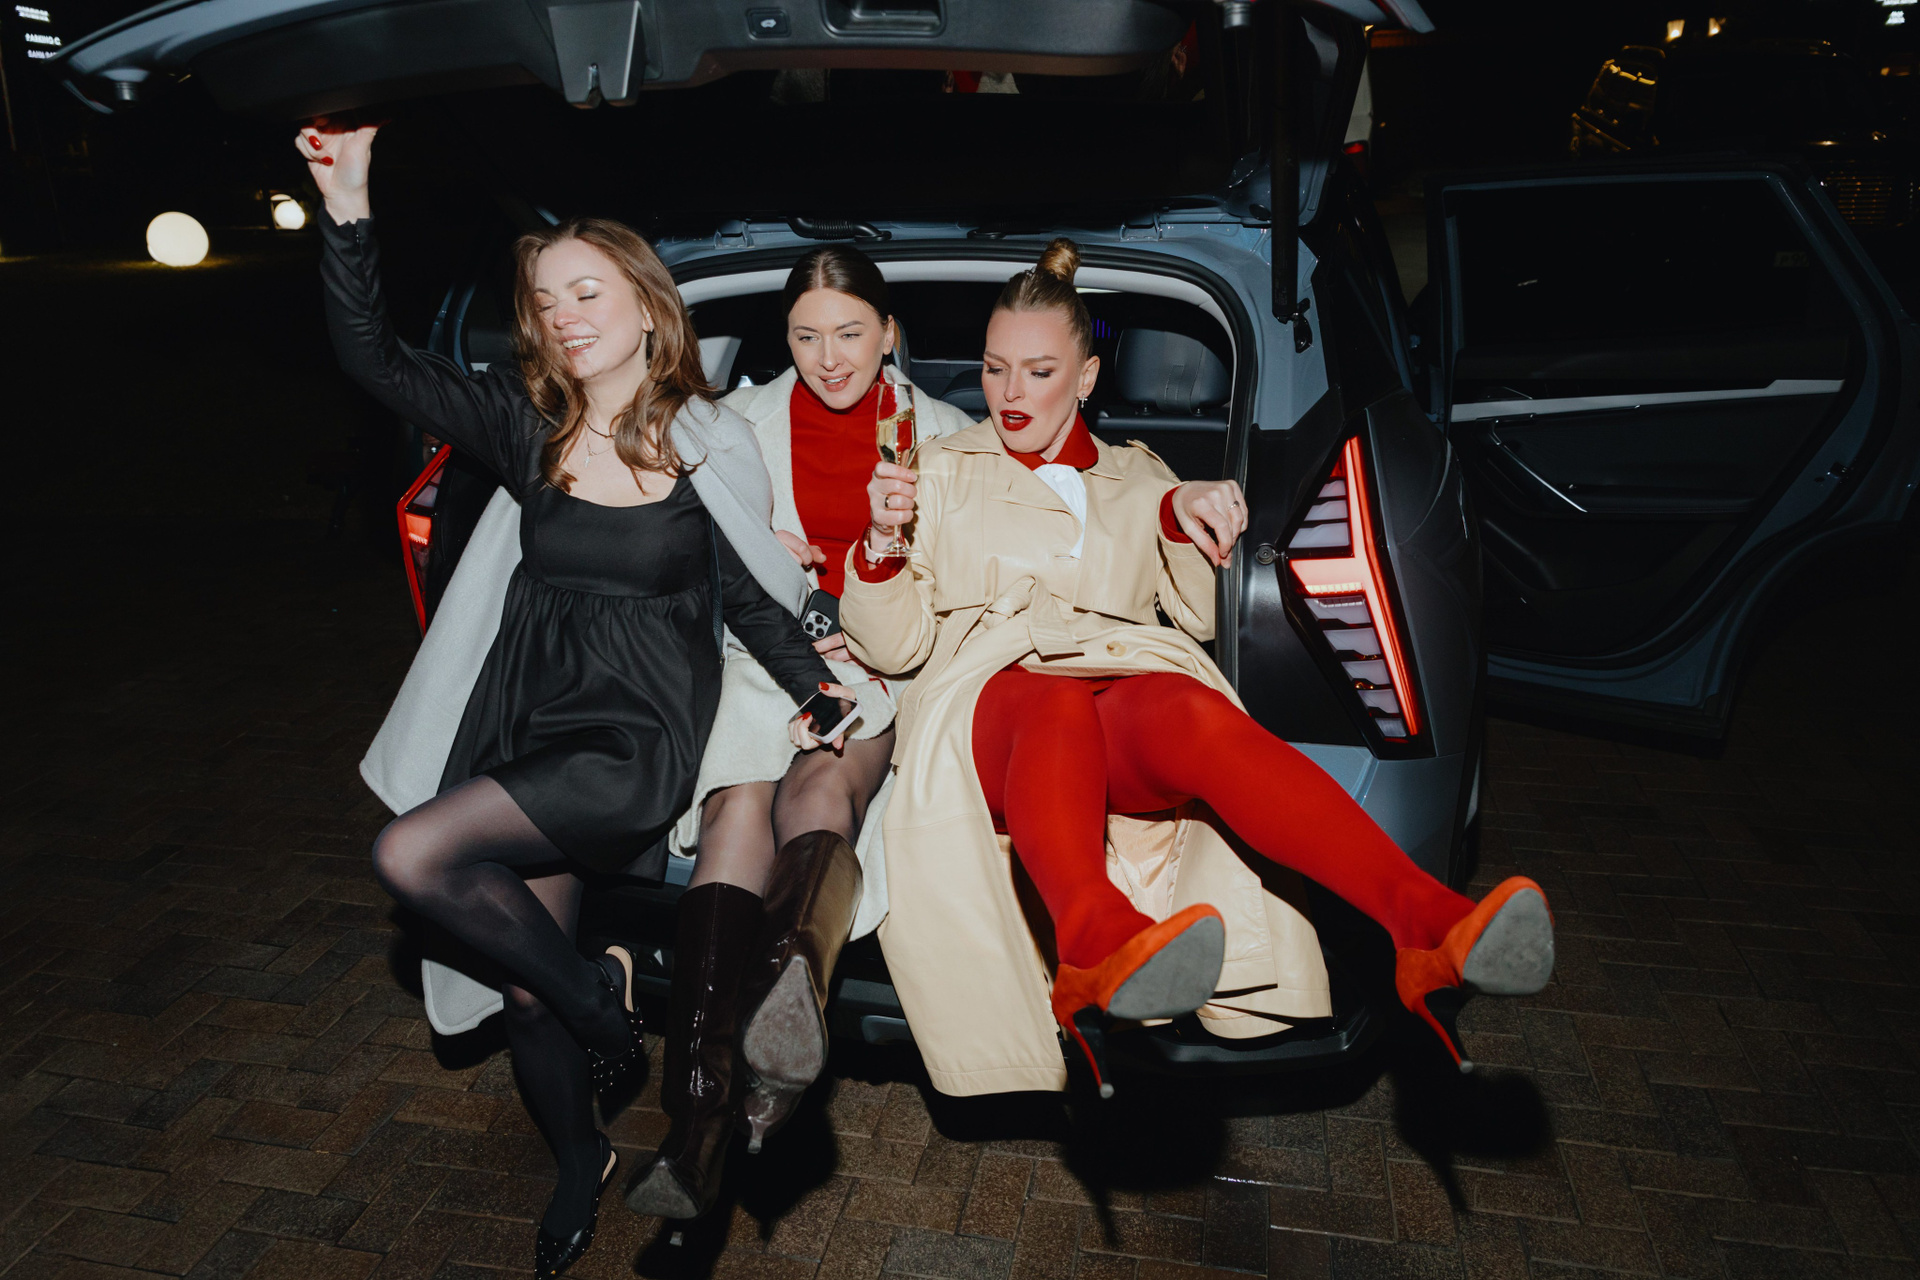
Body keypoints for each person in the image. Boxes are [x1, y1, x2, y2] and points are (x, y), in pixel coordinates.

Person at [298, 120, 851, 1277]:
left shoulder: (706, 443)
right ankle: (578, 1152)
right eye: (546, 301)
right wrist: (346, 204)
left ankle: (607, 1008)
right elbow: (371, 359)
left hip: (634, 734)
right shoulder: (525, 423)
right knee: (523, 987)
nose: (563, 316)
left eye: (586, 292)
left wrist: (818, 686)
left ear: (646, 304)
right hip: (527, 715)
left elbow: (753, 592)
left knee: (410, 851)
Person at [841, 238, 1555, 1097]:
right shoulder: (937, 470)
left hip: (1115, 685)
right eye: (995, 370)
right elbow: (892, 647)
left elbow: (1193, 614)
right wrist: (879, 546)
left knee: (1193, 709)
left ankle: (1422, 921)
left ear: (1087, 377)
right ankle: (1091, 939)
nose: (1010, 393)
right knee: (1050, 703)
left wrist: (1177, 515)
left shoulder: (1139, 473)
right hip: (987, 702)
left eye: (1038, 371)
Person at [632, 247, 974, 1221]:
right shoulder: (730, 425)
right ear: (783, 339)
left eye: (851, 333)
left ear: (889, 332)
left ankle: (784, 1006)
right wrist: (750, 565)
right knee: (737, 807)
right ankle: (700, 1118)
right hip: (756, 657)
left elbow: (960, 585)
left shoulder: (950, 438)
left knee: (821, 786)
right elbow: (668, 561)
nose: (829, 358)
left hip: (876, 666)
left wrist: (871, 607)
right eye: (806, 336)